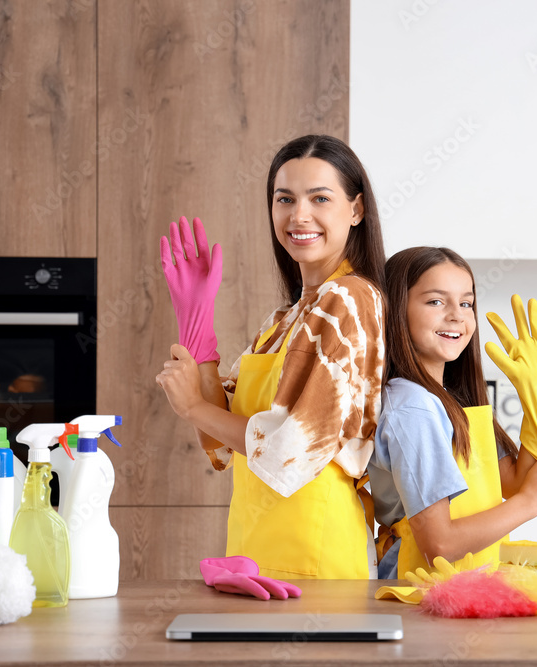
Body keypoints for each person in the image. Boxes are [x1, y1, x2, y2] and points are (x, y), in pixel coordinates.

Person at [155, 135, 386, 579]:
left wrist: (192, 407)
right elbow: (221, 443)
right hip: (255, 542)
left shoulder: (350, 300)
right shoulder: (285, 318)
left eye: (320, 198)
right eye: (285, 199)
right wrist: (197, 322)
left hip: (315, 549)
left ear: (356, 210)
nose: (299, 215)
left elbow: (288, 450)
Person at [368, 246, 537, 579]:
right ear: (394, 310)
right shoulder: (412, 404)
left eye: (466, 303)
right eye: (435, 301)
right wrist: (532, 503)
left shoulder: (450, 399)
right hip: (419, 588)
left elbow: (517, 483)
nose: (457, 315)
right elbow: (440, 546)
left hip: (466, 585)